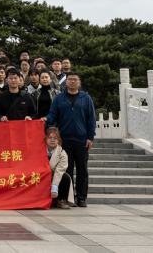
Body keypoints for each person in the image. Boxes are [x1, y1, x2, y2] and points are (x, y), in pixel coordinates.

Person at [42, 72, 95, 208]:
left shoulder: (86, 98)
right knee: (67, 170)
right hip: (65, 139)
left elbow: (91, 119)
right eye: (70, 79)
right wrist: (46, 119)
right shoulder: (59, 98)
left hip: (81, 139)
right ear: (65, 82)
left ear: (79, 82)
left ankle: (81, 197)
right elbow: (53, 115)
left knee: (82, 170)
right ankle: (67, 197)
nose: (72, 81)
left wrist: (90, 137)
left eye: (75, 79)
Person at [45, 127, 73, 209]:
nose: (52, 140)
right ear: (45, 139)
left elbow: (59, 171)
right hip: (43, 176)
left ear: (59, 141)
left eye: (55, 138)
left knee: (65, 177)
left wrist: (54, 188)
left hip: (55, 176)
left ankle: (61, 199)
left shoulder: (62, 153)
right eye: (50, 138)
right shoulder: (40, 150)